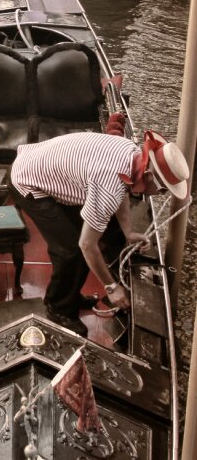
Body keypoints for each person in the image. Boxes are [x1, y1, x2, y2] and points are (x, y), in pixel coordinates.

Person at [10, 129, 190, 336]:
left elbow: (123, 188)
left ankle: (69, 294)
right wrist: (111, 287)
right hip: (28, 181)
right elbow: (87, 245)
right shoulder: (109, 187)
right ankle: (58, 308)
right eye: (162, 190)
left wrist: (128, 232)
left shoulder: (131, 152)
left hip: (44, 166)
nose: (160, 195)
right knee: (70, 250)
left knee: (83, 241)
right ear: (149, 175)